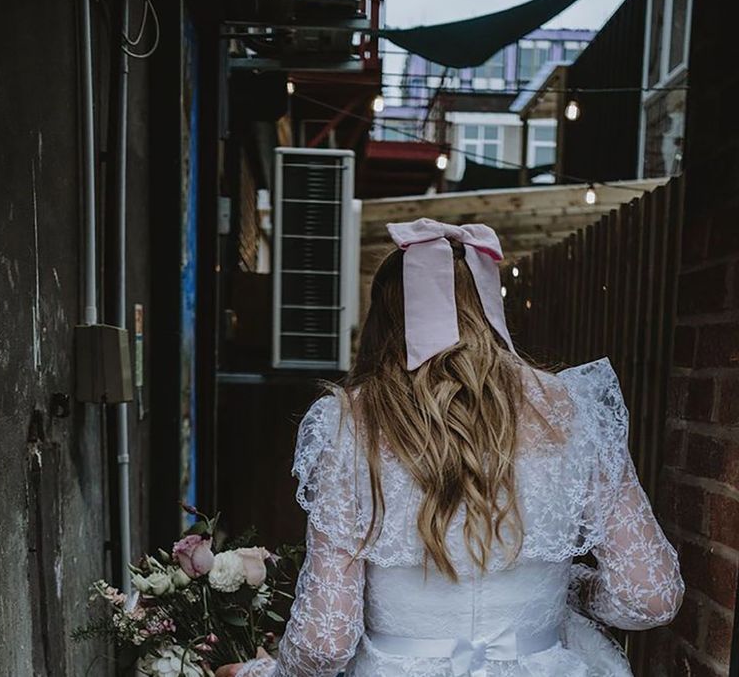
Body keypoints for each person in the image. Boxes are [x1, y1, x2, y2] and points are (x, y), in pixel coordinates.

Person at [220, 219, 684, 677]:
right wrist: (575, 594)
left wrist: (265, 674)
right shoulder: (575, 411)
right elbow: (649, 596)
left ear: (388, 320)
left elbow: (325, 643)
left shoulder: (348, 424)